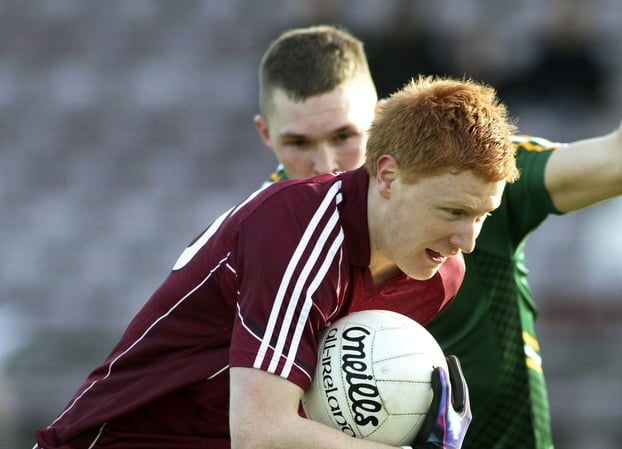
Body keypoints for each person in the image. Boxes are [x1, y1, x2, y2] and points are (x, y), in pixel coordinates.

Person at [257, 1, 622, 448]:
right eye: (297, 142)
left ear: (376, 120)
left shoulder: (478, 178)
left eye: (344, 135)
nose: (324, 162)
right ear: (268, 138)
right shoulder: (268, 233)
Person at [34, 76, 520, 449]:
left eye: (482, 216)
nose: (468, 241)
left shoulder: (436, 277)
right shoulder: (297, 228)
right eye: (453, 212)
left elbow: (321, 415)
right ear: (388, 176)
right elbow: (261, 433)